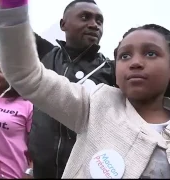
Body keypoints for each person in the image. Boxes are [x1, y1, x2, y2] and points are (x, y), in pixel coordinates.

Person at [0, 1, 170, 178]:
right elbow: (27, 74)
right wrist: (11, 12)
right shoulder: (95, 104)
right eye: (125, 56)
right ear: (117, 73)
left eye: (150, 53)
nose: (136, 62)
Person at [28, 0, 116, 178]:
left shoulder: (112, 70)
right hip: (41, 171)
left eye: (99, 21)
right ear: (63, 24)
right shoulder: (44, 54)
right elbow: (14, 26)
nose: (94, 25)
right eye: (85, 17)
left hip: (87, 172)